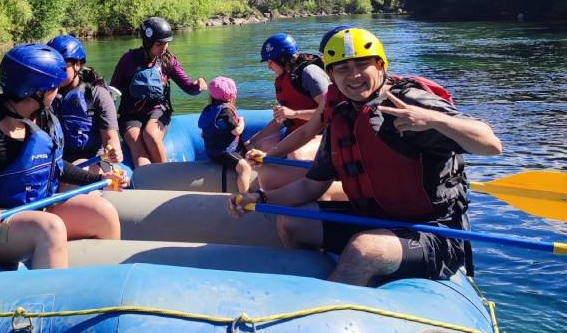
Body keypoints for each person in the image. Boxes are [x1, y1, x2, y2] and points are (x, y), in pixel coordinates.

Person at [231, 27, 502, 287]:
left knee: (364, 249)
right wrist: (260, 198)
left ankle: (332, 310)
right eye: (343, 68)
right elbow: (310, 185)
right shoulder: (342, 114)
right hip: (370, 217)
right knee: (292, 222)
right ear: (332, 75)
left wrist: (433, 120)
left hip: (432, 231)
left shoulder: (409, 102)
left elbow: (490, 143)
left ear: (381, 65)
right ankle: (315, 279)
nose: (354, 75)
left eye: (362, 64)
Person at [0, 43, 122, 270]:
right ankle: (48, 301)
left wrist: (101, 181)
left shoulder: (44, 119)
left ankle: (111, 286)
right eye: (54, 88)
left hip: (35, 210)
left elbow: (55, 166)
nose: (58, 93)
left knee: (103, 212)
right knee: (50, 228)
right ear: (37, 92)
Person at [110, 17, 207, 167]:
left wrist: (198, 85)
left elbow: (189, 88)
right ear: (148, 43)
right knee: (137, 144)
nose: (164, 47)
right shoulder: (128, 60)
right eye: (159, 44)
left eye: (167, 42)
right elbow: (113, 91)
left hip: (158, 111)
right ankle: (148, 185)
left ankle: (167, 177)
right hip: (130, 114)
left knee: (150, 135)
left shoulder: (168, 61)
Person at [243, 32, 331, 190]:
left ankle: (302, 190)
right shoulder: (285, 79)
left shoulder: (310, 74)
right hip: (295, 132)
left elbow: (329, 112)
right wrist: (250, 142)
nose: (268, 66)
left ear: (282, 59)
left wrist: (294, 114)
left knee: (296, 154)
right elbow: (281, 120)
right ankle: (258, 185)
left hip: (320, 135)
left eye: (270, 62)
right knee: (260, 145)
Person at [48, 34, 124, 174]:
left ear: (78, 65)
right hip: (58, 161)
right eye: (52, 66)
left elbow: (111, 138)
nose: (55, 72)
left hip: (93, 161)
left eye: (62, 67)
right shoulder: (44, 95)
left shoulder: (97, 94)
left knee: (79, 166)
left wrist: (113, 150)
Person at [198, 76, 253, 194]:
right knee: (245, 168)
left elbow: (203, 134)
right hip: (223, 153)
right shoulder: (226, 112)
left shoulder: (208, 110)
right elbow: (237, 131)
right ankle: (244, 197)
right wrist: (242, 121)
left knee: (248, 149)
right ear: (231, 97)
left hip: (212, 151)